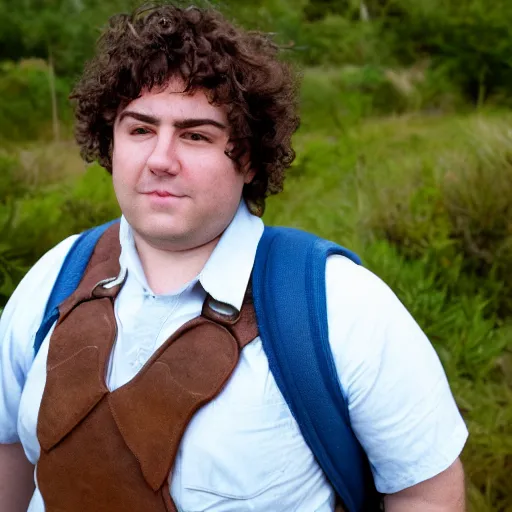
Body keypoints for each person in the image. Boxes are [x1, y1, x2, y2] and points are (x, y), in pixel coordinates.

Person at [0, 3, 468, 511]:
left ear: (246, 156)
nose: (160, 159)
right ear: (111, 142)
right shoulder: (55, 277)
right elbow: (10, 450)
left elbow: (425, 493)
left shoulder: (340, 306)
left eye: (195, 135)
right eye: (139, 130)